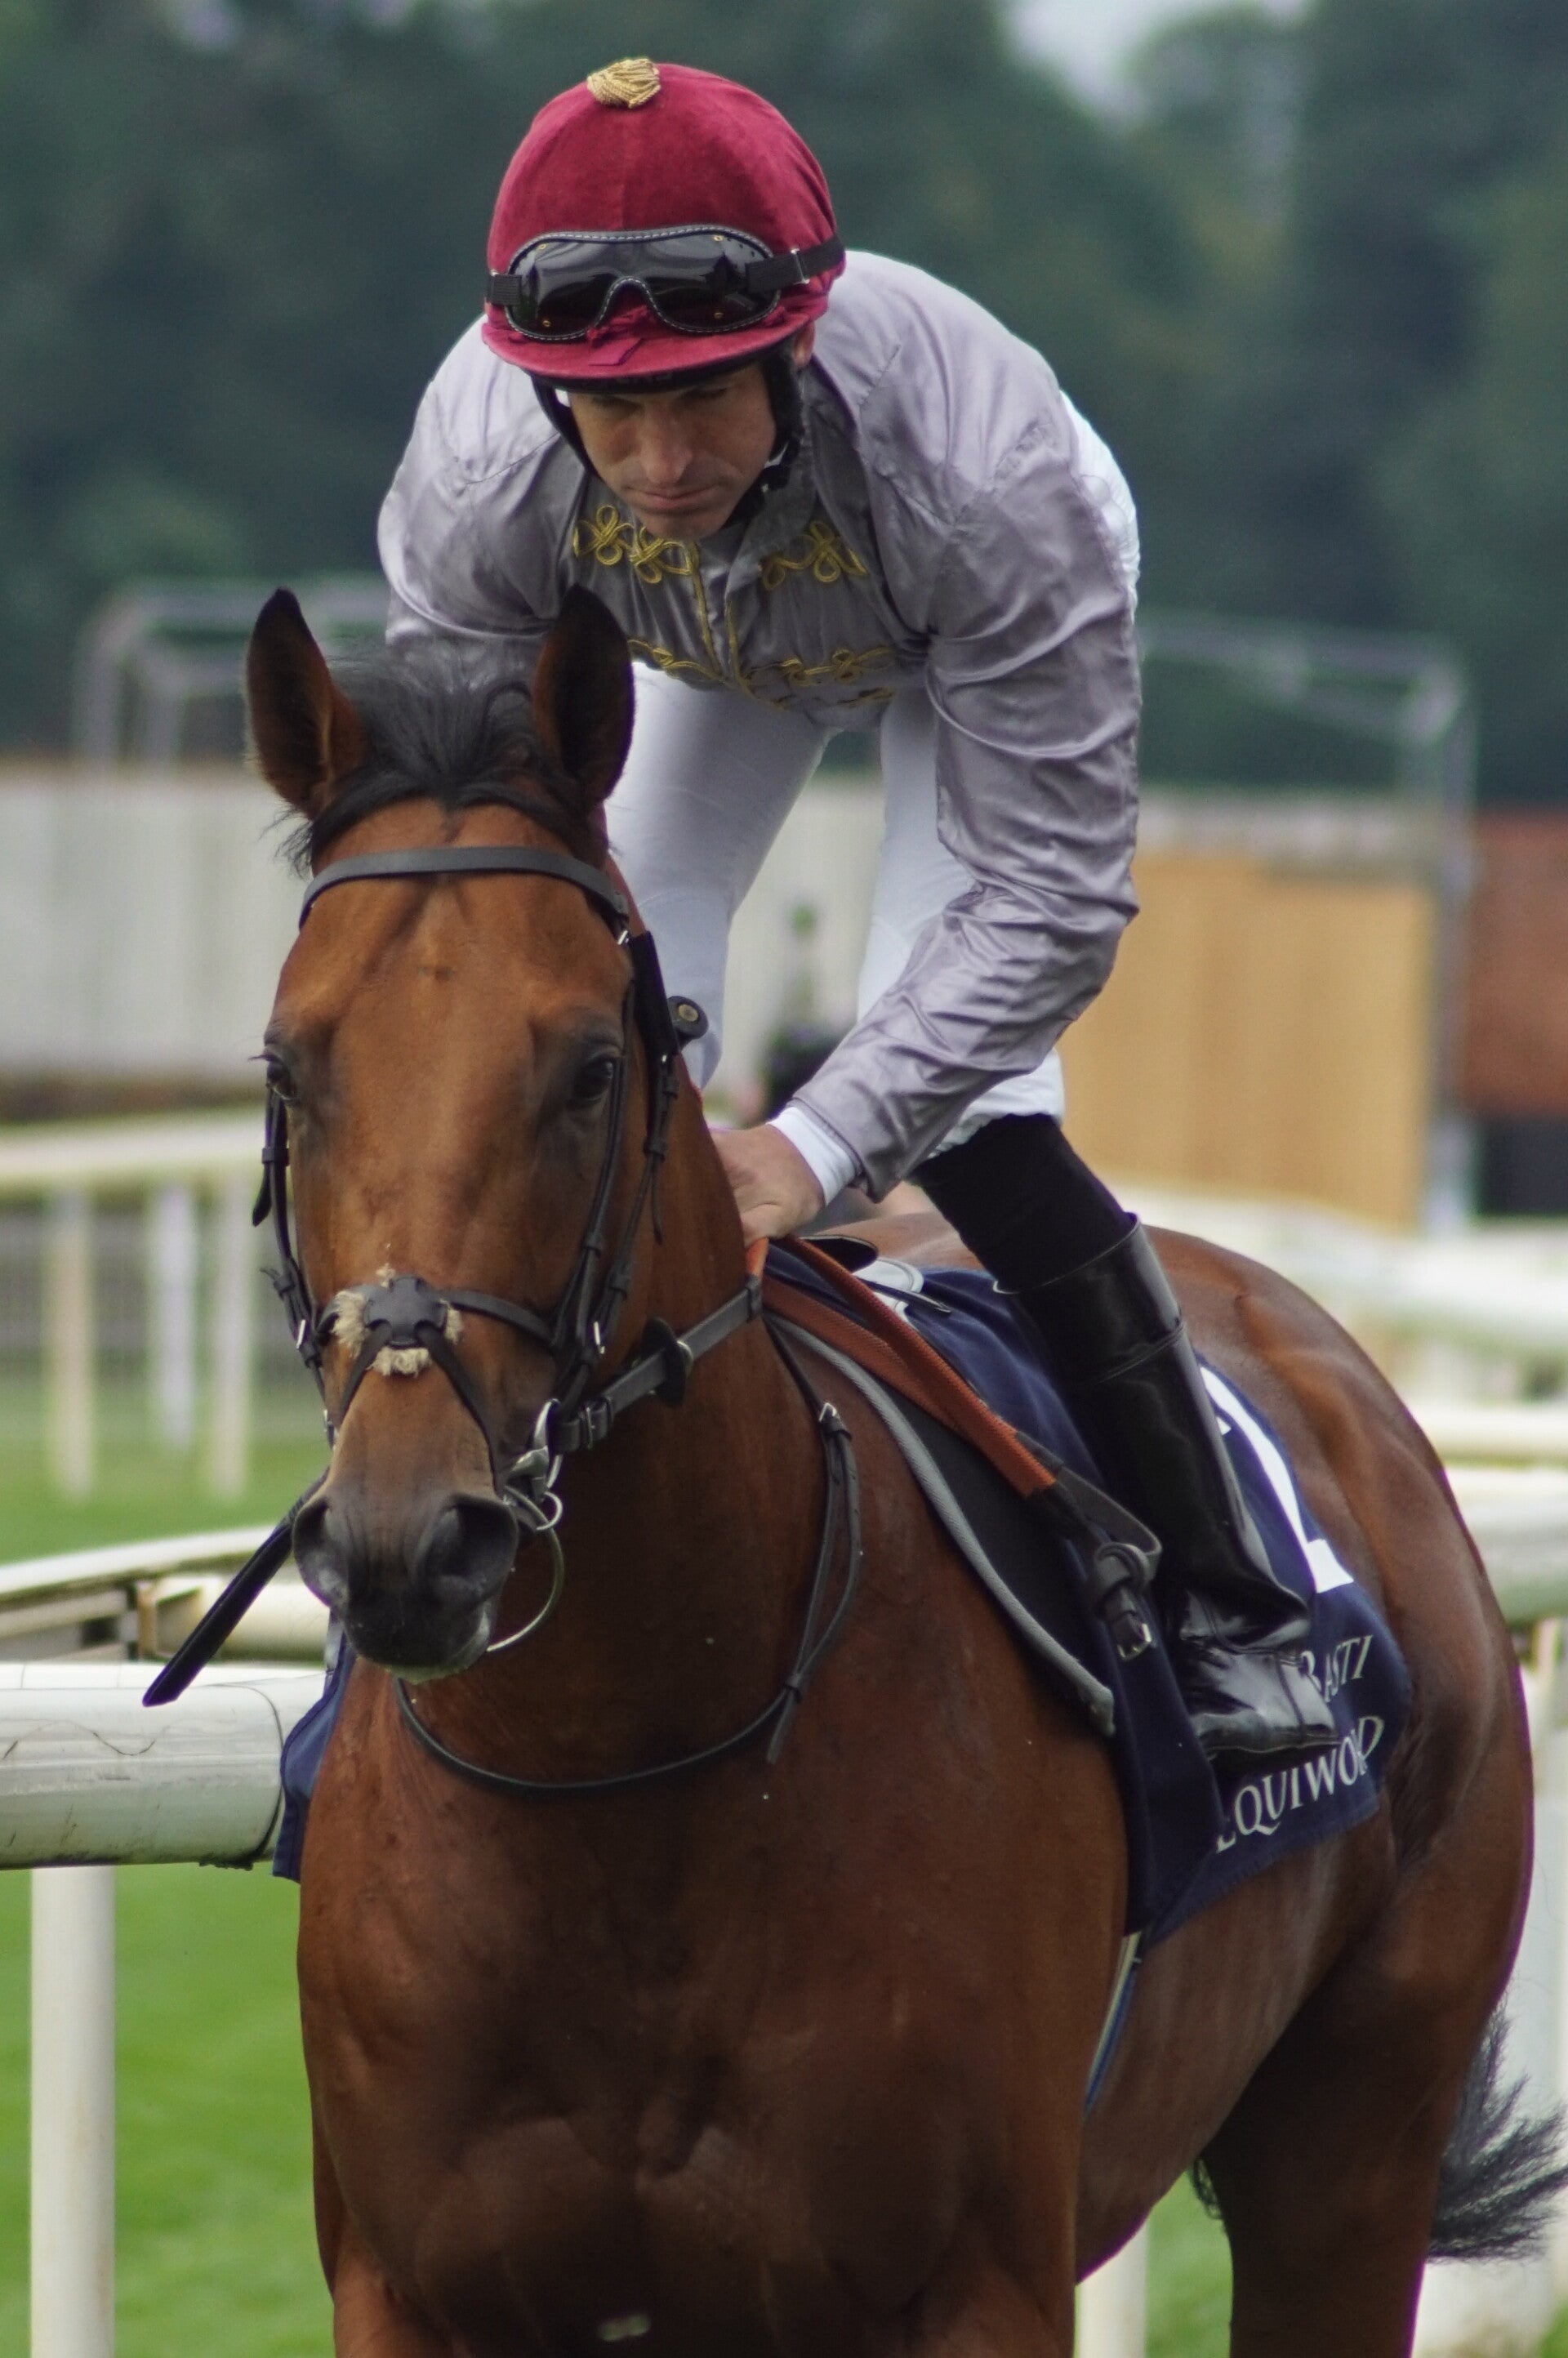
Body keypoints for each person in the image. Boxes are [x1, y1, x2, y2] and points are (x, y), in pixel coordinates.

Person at [378, 56, 1333, 1759]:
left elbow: (1047, 902)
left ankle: (1232, 1599)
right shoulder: (477, 469)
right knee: (574, 1031)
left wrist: (813, 1153)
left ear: (797, 342)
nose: (659, 464)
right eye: (610, 415)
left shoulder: (994, 476)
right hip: (700, 648)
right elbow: (484, 855)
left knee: (972, 1103)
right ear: (540, 390)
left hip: (957, 629)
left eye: (702, 401)